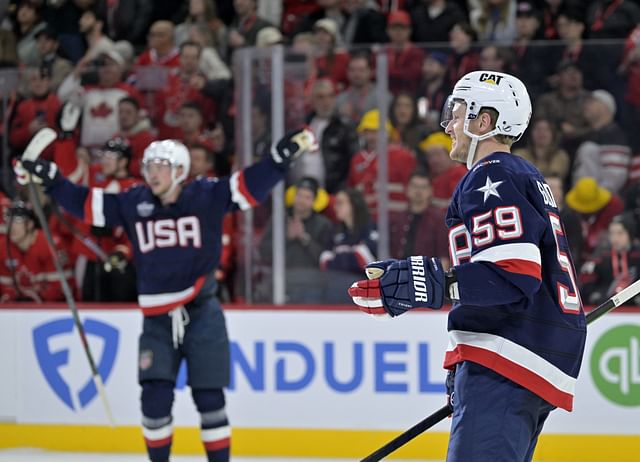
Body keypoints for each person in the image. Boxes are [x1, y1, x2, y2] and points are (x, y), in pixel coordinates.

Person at [15, 128, 316, 462]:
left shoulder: (205, 196)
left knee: (210, 399)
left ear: (179, 171)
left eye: (161, 165)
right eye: (149, 165)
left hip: (202, 312)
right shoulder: (135, 202)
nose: (152, 172)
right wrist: (52, 179)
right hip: (157, 320)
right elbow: (87, 205)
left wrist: (277, 161)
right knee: (154, 401)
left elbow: (247, 187)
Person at [349, 71, 587, 461]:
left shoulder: (493, 173)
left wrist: (433, 284)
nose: (448, 124)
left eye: (457, 113)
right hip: (514, 356)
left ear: (484, 121)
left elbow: (512, 272)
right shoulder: (520, 175)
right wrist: (461, 355)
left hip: (505, 357)